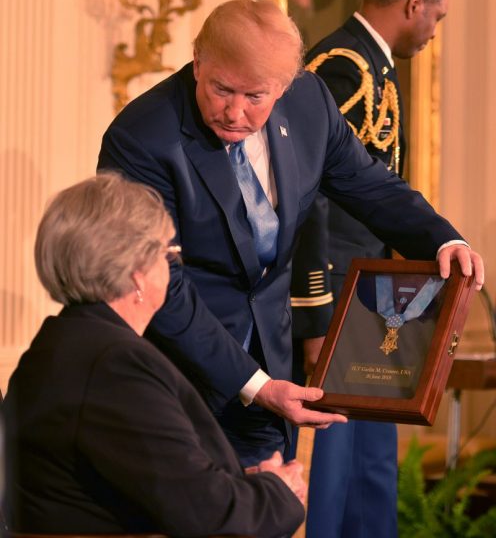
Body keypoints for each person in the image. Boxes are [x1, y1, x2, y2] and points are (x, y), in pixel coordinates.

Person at [97, 0, 483, 471]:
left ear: (282, 86)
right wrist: (255, 384)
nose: (235, 112)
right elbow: (156, 283)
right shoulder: (142, 137)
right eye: (222, 89)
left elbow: (370, 185)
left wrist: (445, 240)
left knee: (273, 514)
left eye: (255, 96)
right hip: (178, 380)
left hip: (274, 371)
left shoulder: (310, 103)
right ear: (198, 62)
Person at [2, 172, 306, 536]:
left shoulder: (64, 342)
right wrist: (279, 491)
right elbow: (210, 520)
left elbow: (153, 483)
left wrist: (243, 485)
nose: (172, 267)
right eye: (168, 253)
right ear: (136, 276)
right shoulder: (114, 366)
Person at [290, 0, 452, 538]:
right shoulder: (342, 66)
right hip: (338, 292)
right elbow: (311, 197)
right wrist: (316, 312)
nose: (434, 31)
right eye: (436, 16)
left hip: (371, 292)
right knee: (335, 471)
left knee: (371, 464)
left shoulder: (372, 66)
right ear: (414, 3)